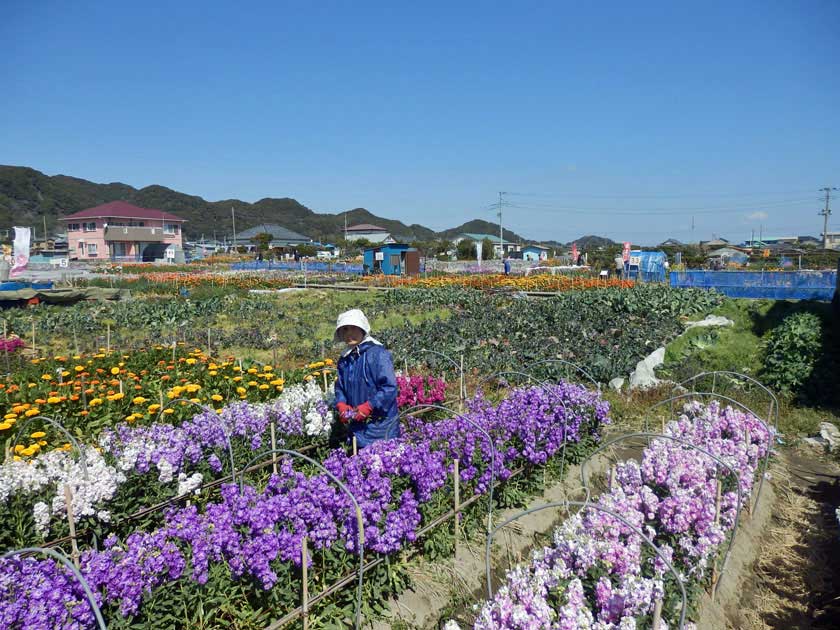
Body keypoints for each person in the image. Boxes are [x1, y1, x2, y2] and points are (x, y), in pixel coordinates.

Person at [333, 309, 399, 447]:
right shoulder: (345, 359)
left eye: (353, 328)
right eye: (345, 329)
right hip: (357, 425)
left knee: (383, 463)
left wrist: (370, 405)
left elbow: (389, 387)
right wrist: (341, 404)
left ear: (362, 329)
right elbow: (340, 386)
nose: (349, 333)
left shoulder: (377, 354)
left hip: (380, 425)